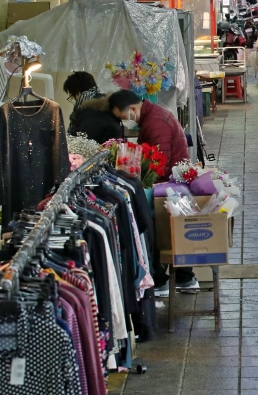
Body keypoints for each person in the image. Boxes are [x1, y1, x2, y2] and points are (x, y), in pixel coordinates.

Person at [108, 90, 198, 295]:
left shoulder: (155, 122)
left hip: (167, 186)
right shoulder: (152, 116)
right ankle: (181, 278)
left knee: (158, 231)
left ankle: (165, 280)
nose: (125, 123)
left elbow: (159, 162)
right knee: (168, 232)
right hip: (170, 184)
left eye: (123, 118)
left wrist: (143, 183)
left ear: (132, 109)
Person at [63, 71, 124, 144]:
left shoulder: (86, 112)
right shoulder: (109, 103)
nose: (72, 100)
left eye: (72, 97)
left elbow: (84, 145)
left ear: (78, 94)